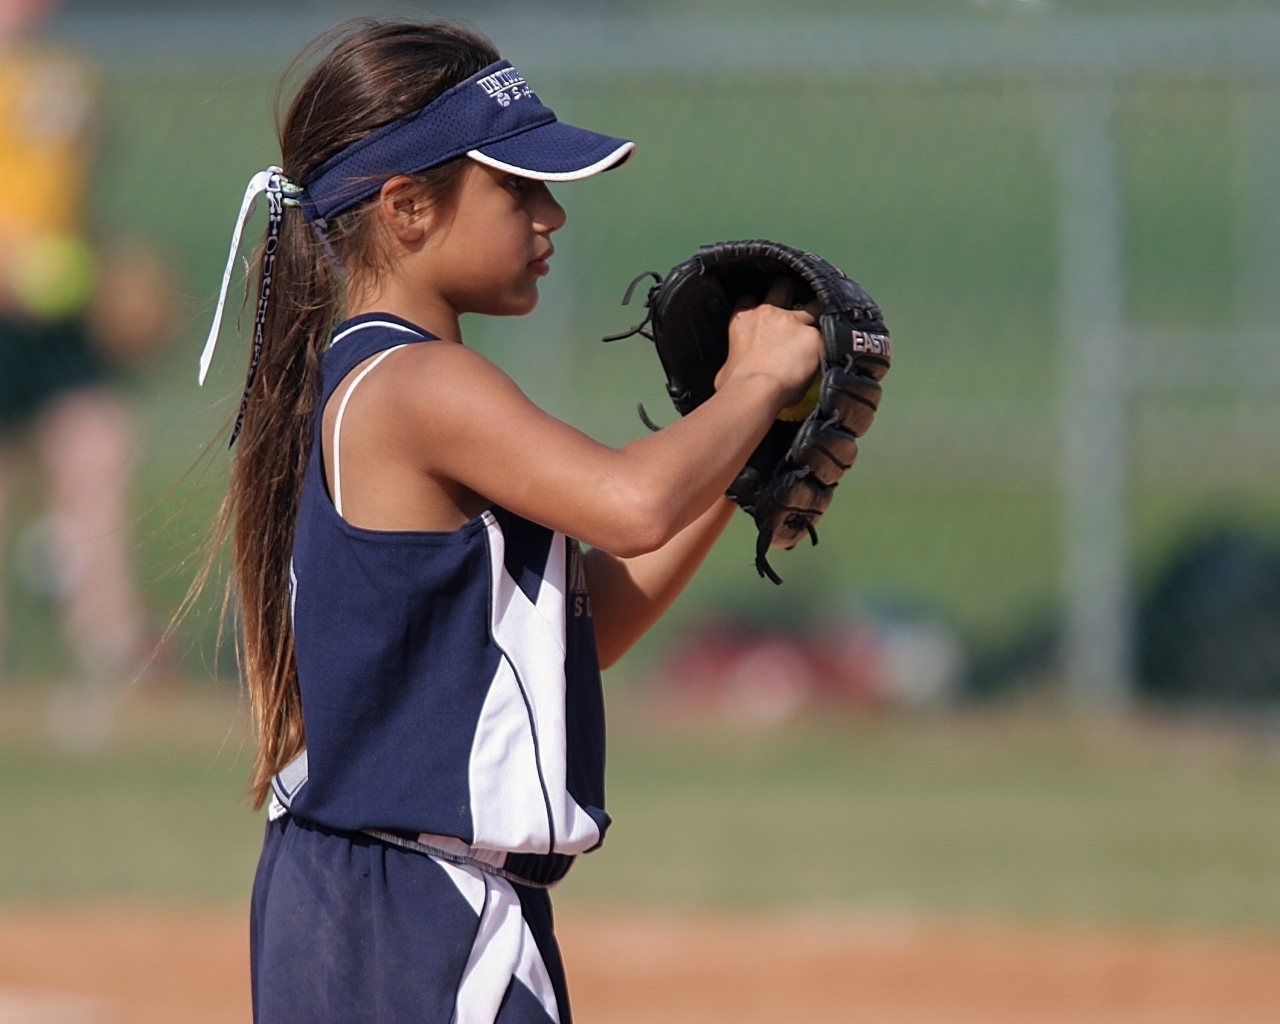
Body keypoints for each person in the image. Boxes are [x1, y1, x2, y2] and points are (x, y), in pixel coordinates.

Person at [197, 19, 822, 1024]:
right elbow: (630, 503)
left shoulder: (395, 379)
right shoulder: (415, 383)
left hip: (409, 904)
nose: (548, 217)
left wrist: (742, 456)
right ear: (405, 207)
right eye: (515, 187)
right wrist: (750, 385)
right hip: (411, 917)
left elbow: (591, 621)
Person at [0, 0, 154, 715]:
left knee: (96, 444)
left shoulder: (66, 75)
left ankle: (110, 643)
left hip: (53, 313)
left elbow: (69, 199)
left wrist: (105, 258)